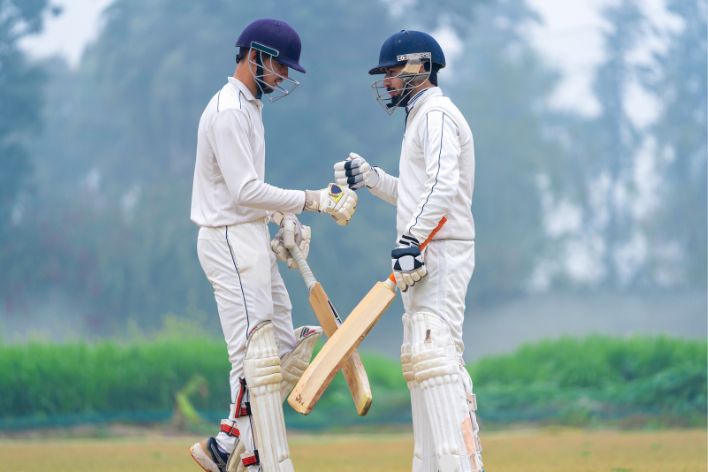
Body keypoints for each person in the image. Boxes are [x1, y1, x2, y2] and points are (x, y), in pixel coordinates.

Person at [189, 18, 357, 472]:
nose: (283, 76)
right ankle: (236, 448)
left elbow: (249, 191)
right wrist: (311, 202)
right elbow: (243, 192)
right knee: (254, 352)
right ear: (255, 55)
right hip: (227, 238)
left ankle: (239, 445)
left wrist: (283, 218)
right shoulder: (228, 111)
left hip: (249, 234)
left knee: (283, 348)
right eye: (279, 66)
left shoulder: (248, 107)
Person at [333, 30, 484, 471]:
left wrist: (411, 241)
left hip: (439, 250)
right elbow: (420, 193)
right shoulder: (421, 116)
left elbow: (443, 187)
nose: (388, 82)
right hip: (423, 249)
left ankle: (461, 464)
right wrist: (374, 179)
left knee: (436, 359)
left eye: (393, 72)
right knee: (419, 362)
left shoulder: (436, 113)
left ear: (419, 67)